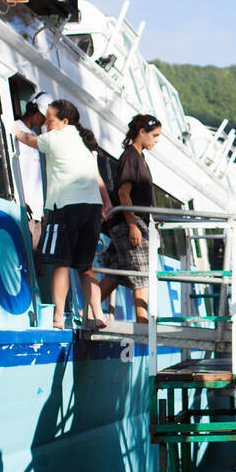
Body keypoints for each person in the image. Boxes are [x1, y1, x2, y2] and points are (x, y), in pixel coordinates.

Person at [14, 100, 112, 329]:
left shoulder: (56, 137)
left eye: (50, 120)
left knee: (61, 263)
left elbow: (29, 140)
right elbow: (97, 178)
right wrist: (106, 203)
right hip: (92, 209)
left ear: (64, 121)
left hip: (66, 206)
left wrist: (13, 128)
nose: (46, 124)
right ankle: (99, 314)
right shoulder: (85, 144)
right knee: (85, 266)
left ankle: (59, 316)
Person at [100, 114, 162, 323]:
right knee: (142, 271)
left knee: (116, 272)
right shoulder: (130, 157)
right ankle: (142, 318)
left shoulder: (139, 157)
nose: (156, 140)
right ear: (141, 132)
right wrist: (133, 224)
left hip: (132, 221)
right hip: (129, 222)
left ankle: (88, 310)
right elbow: (124, 194)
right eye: (154, 135)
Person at [13, 98, 47, 250]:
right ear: (33, 109)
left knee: (36, 261)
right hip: (24, 205)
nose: (44, 120)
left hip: (36, 209)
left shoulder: (33, 135)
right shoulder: (15, 127)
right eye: (42, 115)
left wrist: (41, 207)